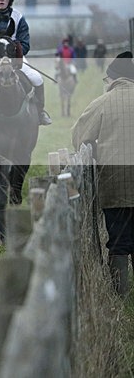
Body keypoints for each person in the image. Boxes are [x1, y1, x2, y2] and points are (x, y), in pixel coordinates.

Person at [72, 51, 134, 296]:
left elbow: (79, 138)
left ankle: (121, 298)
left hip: (115, 185)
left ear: (113, 79)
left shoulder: (102, 103)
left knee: (119, 242)